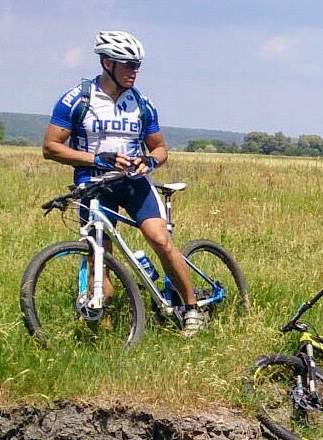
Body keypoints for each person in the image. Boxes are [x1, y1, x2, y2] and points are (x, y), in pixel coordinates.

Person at [42, 31, 203, 334]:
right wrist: (96, 159)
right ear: (107, 63)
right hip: (93, 184)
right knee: (99, 254)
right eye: (128, 65)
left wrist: (150, 161)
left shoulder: (141, 103)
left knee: (159, 239)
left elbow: (160, 147)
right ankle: (102, 325)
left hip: (133, 184)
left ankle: (192, 308)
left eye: (137, 65)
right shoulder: (77, 100)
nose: (134, 71)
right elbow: (51, 147)